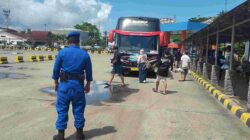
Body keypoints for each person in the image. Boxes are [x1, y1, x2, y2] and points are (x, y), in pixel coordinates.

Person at [52, 31, 93, 140]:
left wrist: (56, 83)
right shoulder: (84, 54)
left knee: (62, 110)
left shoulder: (62, 52)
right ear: (78, 41)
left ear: (68, 41)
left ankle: (60, 135)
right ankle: (79, 135)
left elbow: (56, 69)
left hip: (64, 86)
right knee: (79, 109)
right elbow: (89, 71)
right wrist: (88, 84)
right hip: (78, 87)